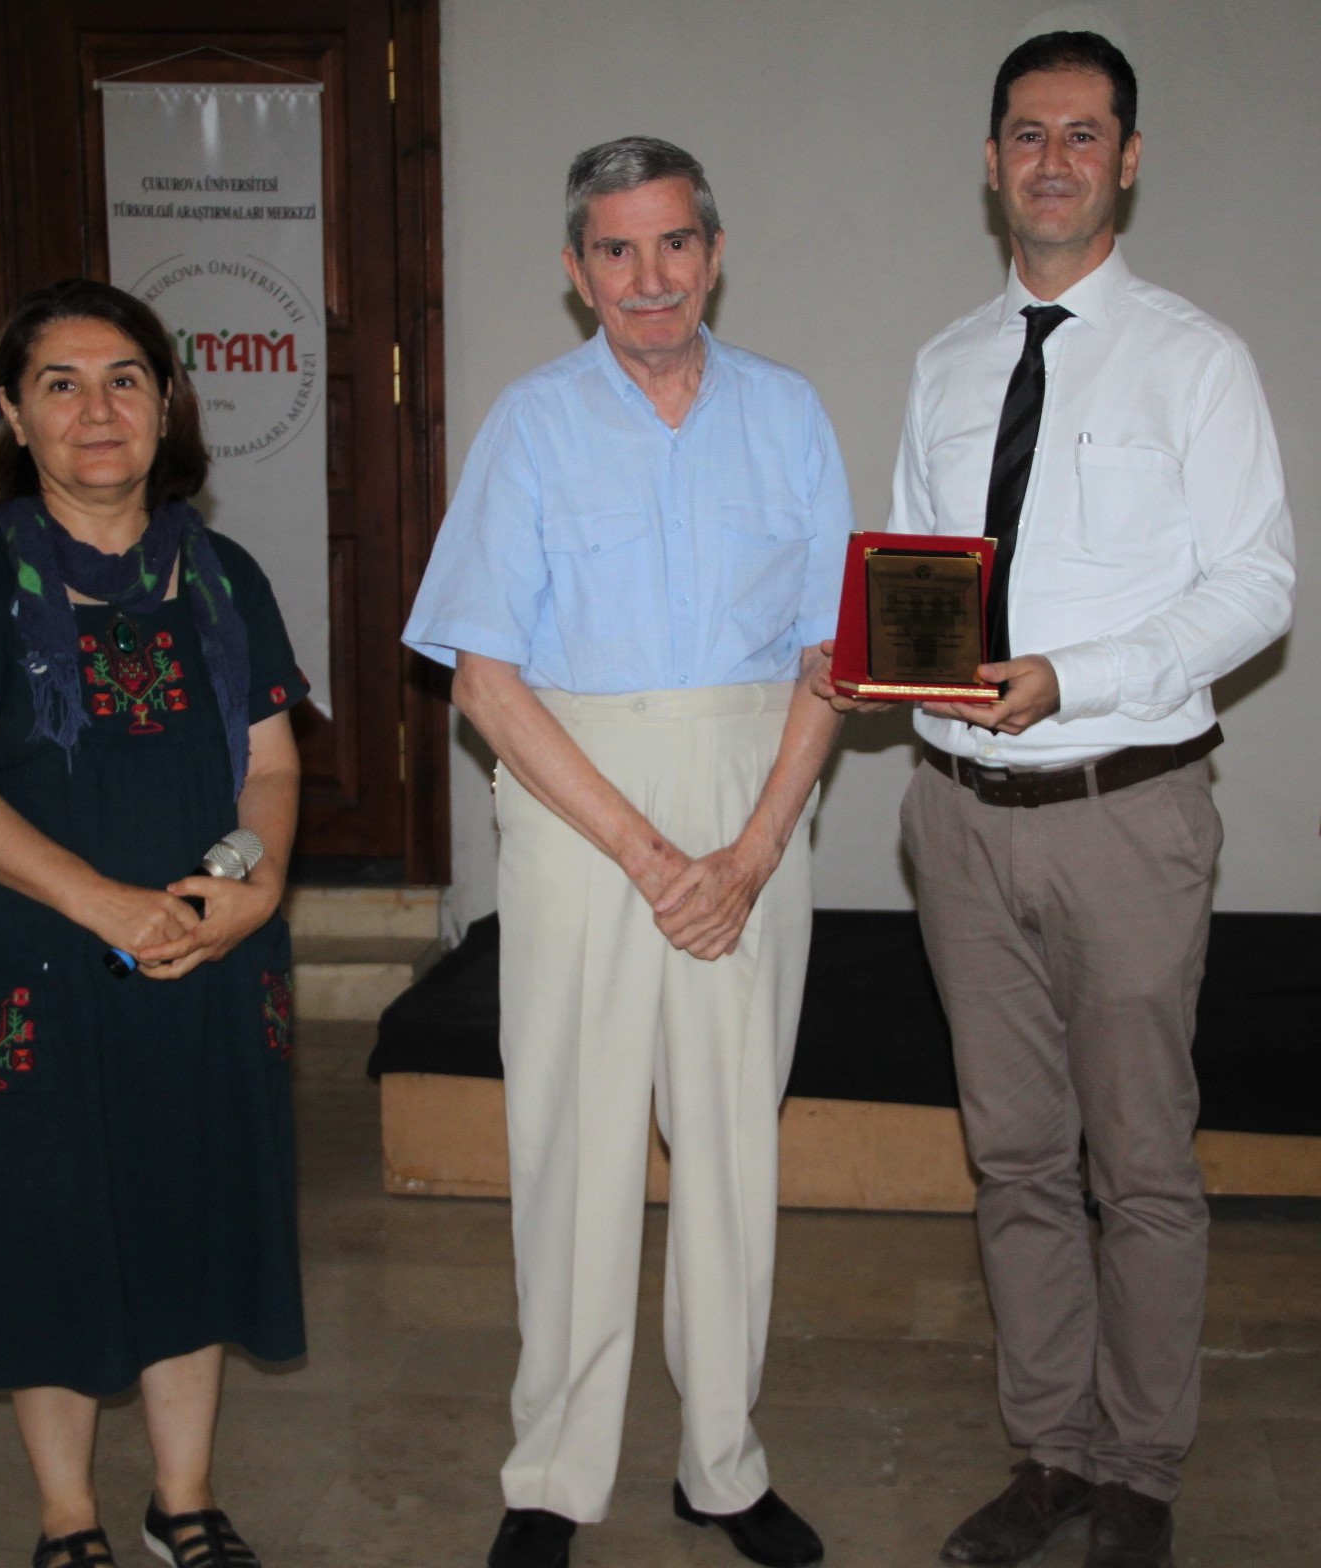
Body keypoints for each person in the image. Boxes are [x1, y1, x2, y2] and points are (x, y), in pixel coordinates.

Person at [818, 32, 1295, 1568]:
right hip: (958, 819)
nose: (1053, 160)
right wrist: (876, 662)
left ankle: (1139, 1472)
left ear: (1128, 162)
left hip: (1124, 810)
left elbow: (1259, 589)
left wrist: (1072, 677)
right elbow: (926, 570)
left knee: (1140, 1163)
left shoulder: (1195, 360)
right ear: (990, 161)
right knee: (1016, 1157)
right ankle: (1051, 1455)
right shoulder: (948, 363)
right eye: (1028, 133)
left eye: (1084, 135)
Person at [404, 137, 852, 1568]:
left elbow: (832, 656)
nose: (648, 277)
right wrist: (654, 858)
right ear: (576, 269)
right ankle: (553, 1476)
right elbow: (485, 680)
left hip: (753, 800)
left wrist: (756, 848)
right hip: (575, 806)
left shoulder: (788, 415)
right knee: (574, 1144)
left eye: (673, 244)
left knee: (731, 1145)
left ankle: (723, 1465)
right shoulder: (531, 426)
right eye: (616, 249)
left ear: (714, 254)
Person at [0, 279, 309, 1568]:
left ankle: (184, 1500)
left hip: (203, 962)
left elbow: (271, 767)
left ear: (167, 402)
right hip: (31, 969)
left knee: (192, 1214)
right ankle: (68, 1514)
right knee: (45, 1229)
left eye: (124, 378)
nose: (96, 408)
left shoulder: (224, 576)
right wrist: (104, 903)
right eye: (58, 384)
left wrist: (254, 885)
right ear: (14, 416)